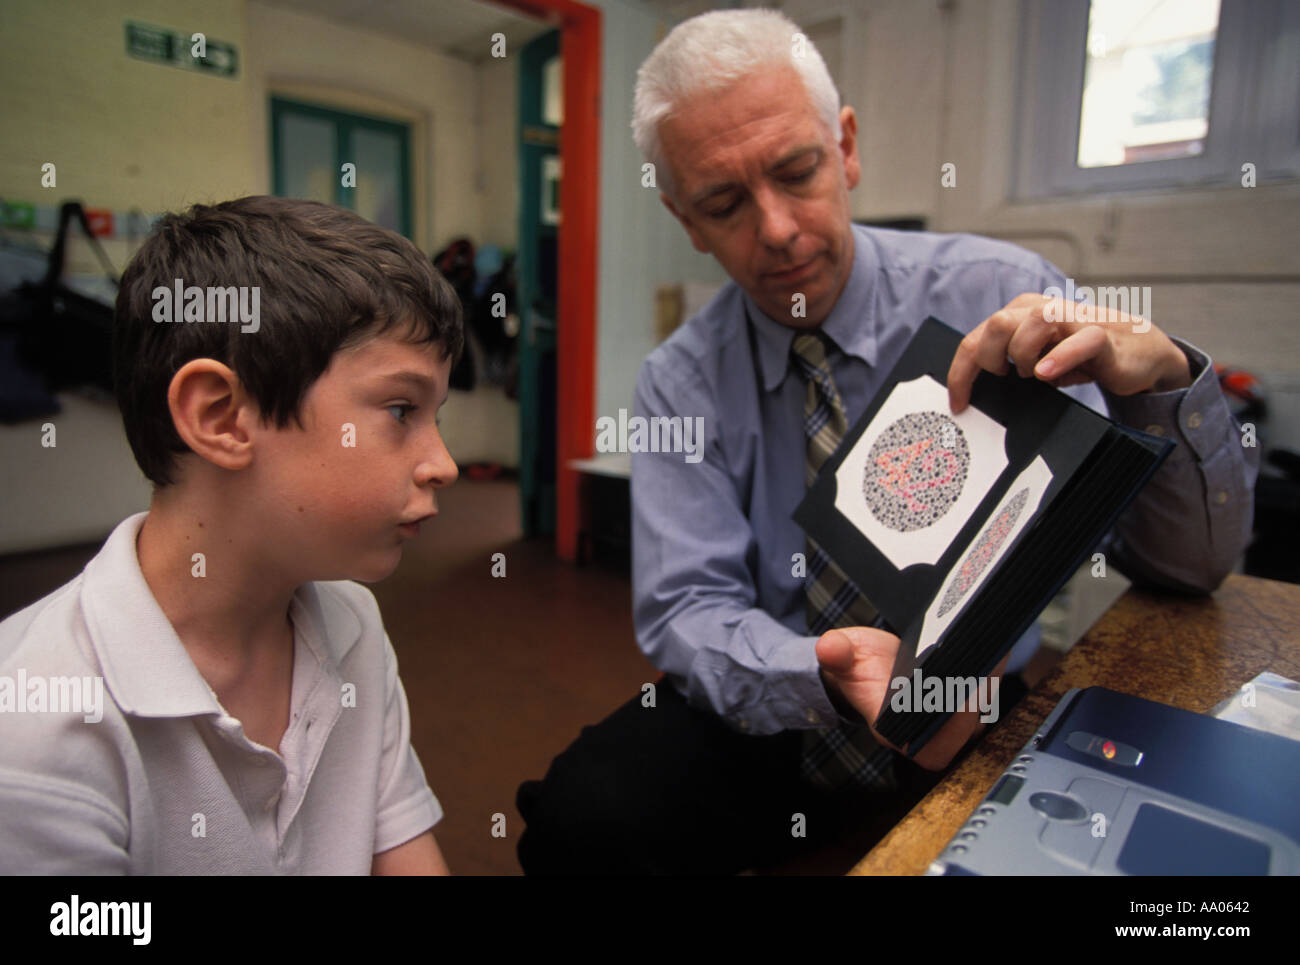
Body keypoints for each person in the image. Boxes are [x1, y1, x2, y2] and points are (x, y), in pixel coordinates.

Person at [516, 9, 1257, 875]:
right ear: (685, 220)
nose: (780, 229)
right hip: (780, 706)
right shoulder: (679, 382)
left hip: (974, 699)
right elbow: (688, 612)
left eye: (798, 171)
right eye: (724, 203)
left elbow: (1192, 572)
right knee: (577, 817)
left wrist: (1162, 381)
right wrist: (823, 673)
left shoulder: (1001, 293)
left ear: (848, 145)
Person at [0, 196, 461, 873]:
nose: (444, 463)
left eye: (436, 415)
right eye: (400, 409)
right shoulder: (35, 729)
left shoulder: (352, 625)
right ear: (221, 416)